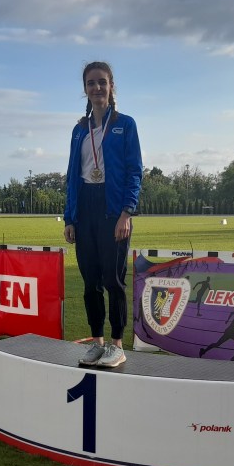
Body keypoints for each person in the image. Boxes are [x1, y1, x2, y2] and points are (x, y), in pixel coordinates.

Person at [63, 61, 143, 368]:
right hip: (85, 207)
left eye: (102, 82)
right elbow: (72, 176)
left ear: (111, 87)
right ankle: (96, 343)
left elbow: (135, 171)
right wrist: (70, 218)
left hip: (113, 208)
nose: (96, 87)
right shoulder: (79, 130)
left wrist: (127, 212)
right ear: (85, 89)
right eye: (91, 83)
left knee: (113, 279)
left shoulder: (126, 124)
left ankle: (117, 345)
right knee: (90, 281)